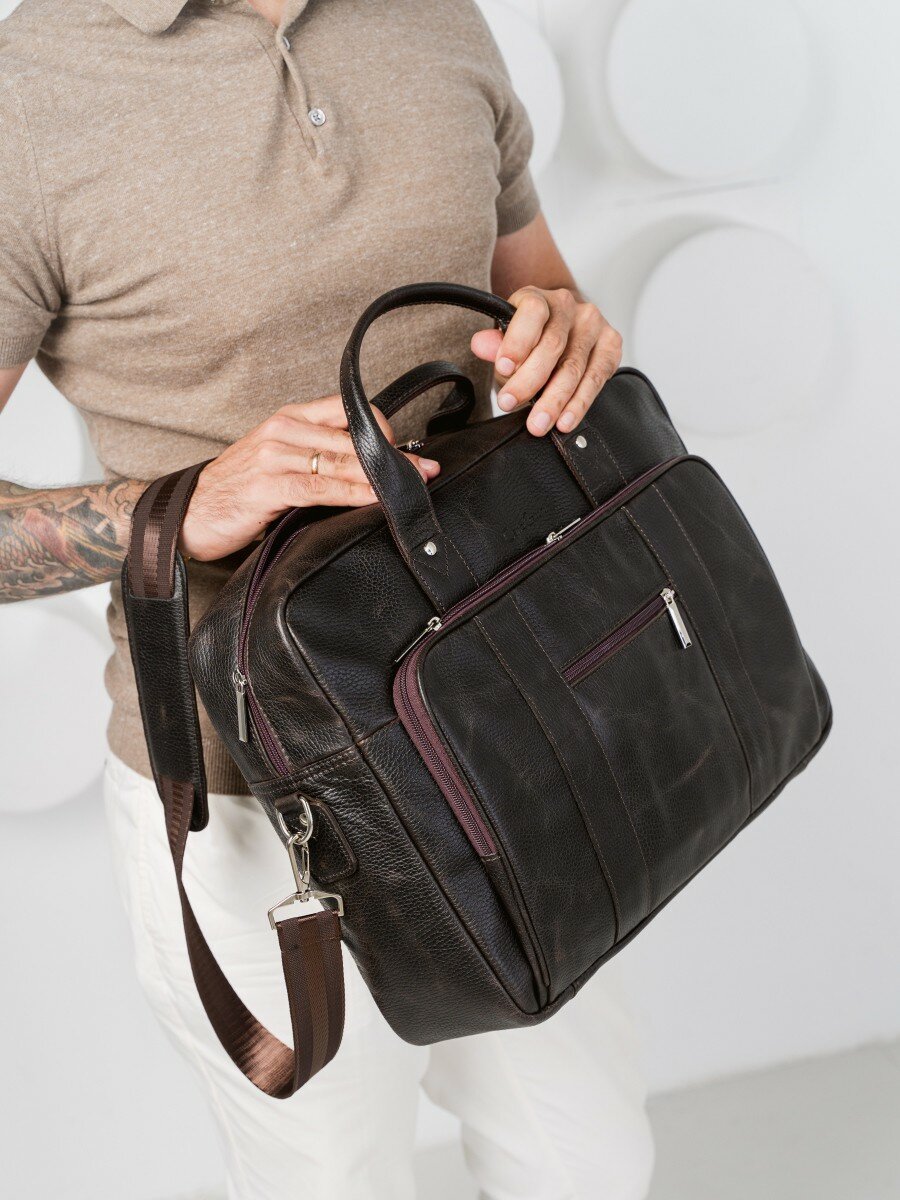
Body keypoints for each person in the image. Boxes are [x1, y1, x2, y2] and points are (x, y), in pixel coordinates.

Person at [0, 1, 654, 1196]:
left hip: (497, 722)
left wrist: (564, 334)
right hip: (246, 792)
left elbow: (535, 299)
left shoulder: (435, 14)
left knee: (593, 1165)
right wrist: (184, 506)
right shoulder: (26, 94)